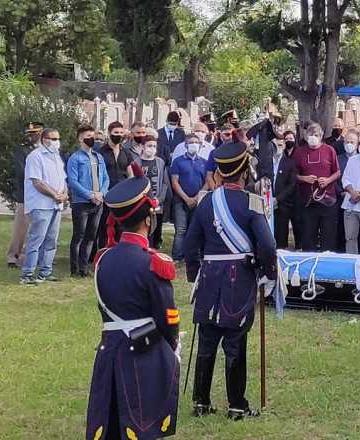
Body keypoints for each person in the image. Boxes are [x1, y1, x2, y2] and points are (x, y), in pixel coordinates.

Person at [182, 141, 277, 421]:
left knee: (207, 339)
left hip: (210, 277)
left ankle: (201, 401)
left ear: (220, 172)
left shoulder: (205, 202)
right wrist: (267, 273)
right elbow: (268, 246)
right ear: (245, 170)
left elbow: (190, 246)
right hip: (240, 277)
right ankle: (236, 405)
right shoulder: (252, 202)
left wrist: (194, 275)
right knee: (235, 341)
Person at [86, 165, 180, 439]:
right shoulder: (152, 262)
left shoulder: (102, 259)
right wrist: (171, 345)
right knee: (143, 424)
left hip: (109, 349)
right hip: (144, 353)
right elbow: (167, 316)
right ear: (148, 220)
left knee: (112, 421)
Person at [21, 128, 67, 285]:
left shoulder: (56, 157)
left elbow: (63, 179)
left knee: (51, 240)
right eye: (52, 138)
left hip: (56, 205)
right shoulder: (35, 156)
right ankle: (27, 274)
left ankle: (45, 272)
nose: (56, 142)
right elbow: (37, 182)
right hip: (41, 204)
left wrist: (64, 194)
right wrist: (55, 194)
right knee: (36, 239)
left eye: (57, 138)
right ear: (43, 139)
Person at [66, 125, 109, 278]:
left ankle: (84, 268)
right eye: (88, 136)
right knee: (79, 235)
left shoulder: (98, 157)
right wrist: (90, 195)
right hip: (81, 203)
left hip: (98, 202)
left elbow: (105, 178)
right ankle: (74, 268)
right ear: (80, 139)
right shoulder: (75, 158)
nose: (92, 139)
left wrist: (101, 194)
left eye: (93, 136)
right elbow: (73, 181)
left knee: (91, 236)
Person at [293, 123, 341, 252]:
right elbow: (293, 175)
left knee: (328, 236)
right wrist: (304, 178)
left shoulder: (329, 150)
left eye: (316, 135)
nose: (313, 137)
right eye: (310, 135)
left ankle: (327, 263)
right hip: (308, 201)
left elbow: (337, 172)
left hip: (327, 200)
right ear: (306, 136)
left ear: (321, 137)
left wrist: (328, 180)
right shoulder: (299, 152)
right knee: (308, 236)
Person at [95, 122, 134, 254]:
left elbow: (130, 175)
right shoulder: (100, 152)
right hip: (106, 194)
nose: (119, 135)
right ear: (109, 133)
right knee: (104, 226)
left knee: (120, 227)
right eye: (116, 133)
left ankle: (117, 253)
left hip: (122, 196)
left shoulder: (126, 153)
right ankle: (102, 253)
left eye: (121, 133)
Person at [169, 133, 209, 262]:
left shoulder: (204, 162)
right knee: (181, 229)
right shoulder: (178, 161)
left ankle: (193, 255)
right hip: (180, 201)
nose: (194, 145)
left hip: (198, 201)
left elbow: (208, 182)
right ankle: (177, 256)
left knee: (195, 229)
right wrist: (186, 198)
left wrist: (197, 197)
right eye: (191, 142)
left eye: (196, 143)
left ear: (200, 145)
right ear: (186, 145)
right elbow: (174, 181)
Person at [7, 122, 41, 269]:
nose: (31, 136)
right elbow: (22, 171)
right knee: (21, 227)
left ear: (40, 133)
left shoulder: (47, 150)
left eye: (34, 133)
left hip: (43, 195)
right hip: (26, 194)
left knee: (39, 228)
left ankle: (32, 256)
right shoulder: (22, 150)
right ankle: (13, 256)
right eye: (29, 133)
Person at [133, 132, 172, 248]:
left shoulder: (160, 162)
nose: (152, 149)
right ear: (143, 147)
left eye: (154, 146)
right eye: (149, 146)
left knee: (156, 231)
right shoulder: (136, 163)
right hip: (142, 204)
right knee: (144, 230)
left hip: (156, 204)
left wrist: (159, 199)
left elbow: (165, 183)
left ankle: (154, 253)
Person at [268, 137, 297, 249]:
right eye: (275, 145)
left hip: (282, 204)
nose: (278, 148)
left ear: (284, 146)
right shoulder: (266, 161)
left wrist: (278, 199)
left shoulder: (290, 163)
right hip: (266, 203)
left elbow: (292, 184)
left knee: (281, 236)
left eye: (280, 145)